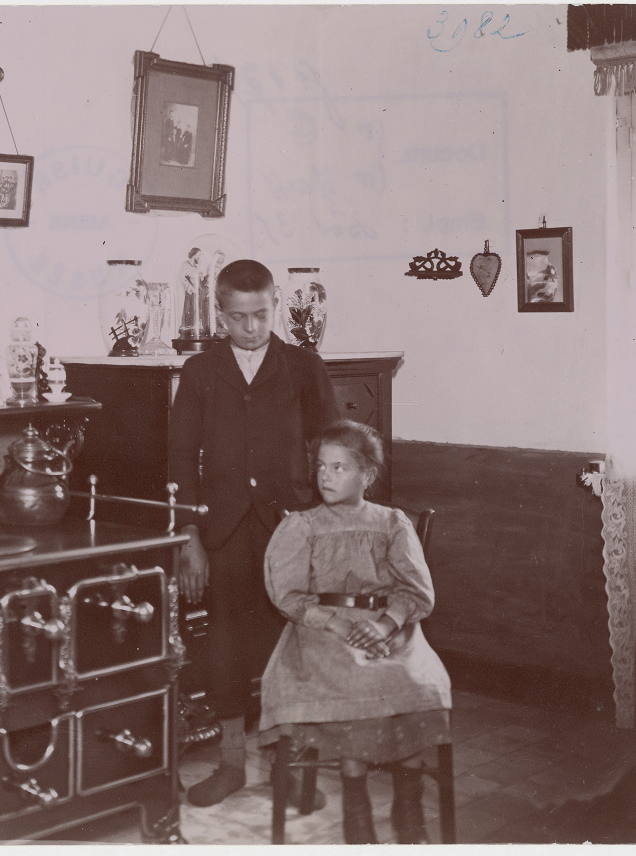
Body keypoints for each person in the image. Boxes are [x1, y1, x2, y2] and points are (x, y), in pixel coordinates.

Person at [168, 258, 340, 807]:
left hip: (287, 528)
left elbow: (332, 446)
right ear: (220, 316)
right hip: (222, 532)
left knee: (285, 647)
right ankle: (230, 765)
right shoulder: (199, 372)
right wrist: (189, 536)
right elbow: (178, 460)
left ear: (275, 306)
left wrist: (319, 520)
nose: (250, 328)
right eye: (238, 318)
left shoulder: (303, 366)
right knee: (222, 645)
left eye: (260, 316)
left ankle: (284, 767)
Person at [259, 420, 452, 843]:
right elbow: (288, 595)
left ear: (367, 475)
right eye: (322, 467)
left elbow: (417, 590)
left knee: (415, 679)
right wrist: (334, 622)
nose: (326, 476)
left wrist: (386, 623)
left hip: (389, 626)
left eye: (340, 467)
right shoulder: (302, 526)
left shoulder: (391, 522)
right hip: (322, 629)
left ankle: (408, 797)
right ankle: (356, 799)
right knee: (357, 681)